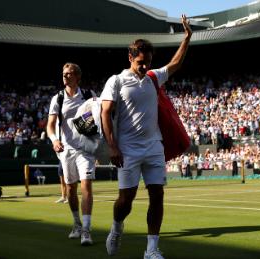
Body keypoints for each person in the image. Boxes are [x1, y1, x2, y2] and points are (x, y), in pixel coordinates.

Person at [100, 14, 192, 259]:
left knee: (157, 195)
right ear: (130, 57)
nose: (145, 66)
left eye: (148, 61)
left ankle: (151, 249)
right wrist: (112, 146)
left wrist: (187, 37)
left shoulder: (153, 77)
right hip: (127, 149)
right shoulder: (116, 81)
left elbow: (175, 64)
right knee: (125, 201)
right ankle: (117, 227)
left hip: (153, 146)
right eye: (140, 61)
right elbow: (105, 113)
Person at [47, 62, 96, 246]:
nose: (65, 76)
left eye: (69, 74)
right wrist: (54, 140)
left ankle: (86, 229)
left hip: (86, 149)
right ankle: (76, 223)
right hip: (66, 150)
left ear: (78, 77)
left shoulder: (89, 96)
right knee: (70, 190)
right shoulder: (57, 98)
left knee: (86, 186)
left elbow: (100, 116)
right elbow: (50, 125)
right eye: (64, 74)